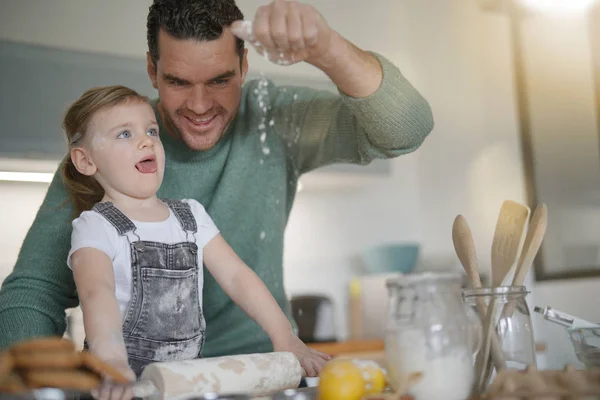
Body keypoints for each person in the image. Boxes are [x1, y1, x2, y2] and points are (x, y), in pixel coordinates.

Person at [0, 0, 434, 359]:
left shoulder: (273, 120)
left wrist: (326, 49)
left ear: (244, 65)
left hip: (260, 371)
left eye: (220, 80)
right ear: (152, 70)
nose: (201, 105)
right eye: (178, 82)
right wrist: (30, 381)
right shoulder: (105, 154)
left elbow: (407, 129)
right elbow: (34, 290)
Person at [60, 85, 329, 388]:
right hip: (119, 386)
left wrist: (286, 337)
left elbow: (238, 277)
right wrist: (112, 363)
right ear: (85, 161)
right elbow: (98, 294)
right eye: (125, 134)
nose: (146, 142)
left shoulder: (190, 216)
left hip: (183, 383)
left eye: (151, 131)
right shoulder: (95, 226)